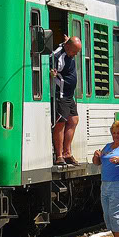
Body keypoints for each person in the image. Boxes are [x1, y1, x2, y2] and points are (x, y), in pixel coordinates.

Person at [51, 35, 83, 165]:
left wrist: (66, 41)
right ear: (68, 47)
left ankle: (67, 152)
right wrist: (51, 74)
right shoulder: (57, 56)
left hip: (69, 95)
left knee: (74, 120)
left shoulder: (68, 51)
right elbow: (50, 68)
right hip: (61, 95)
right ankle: (59, 155)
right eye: (74, 51)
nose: (75, 55)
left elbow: (67, 44)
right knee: (61, 122)